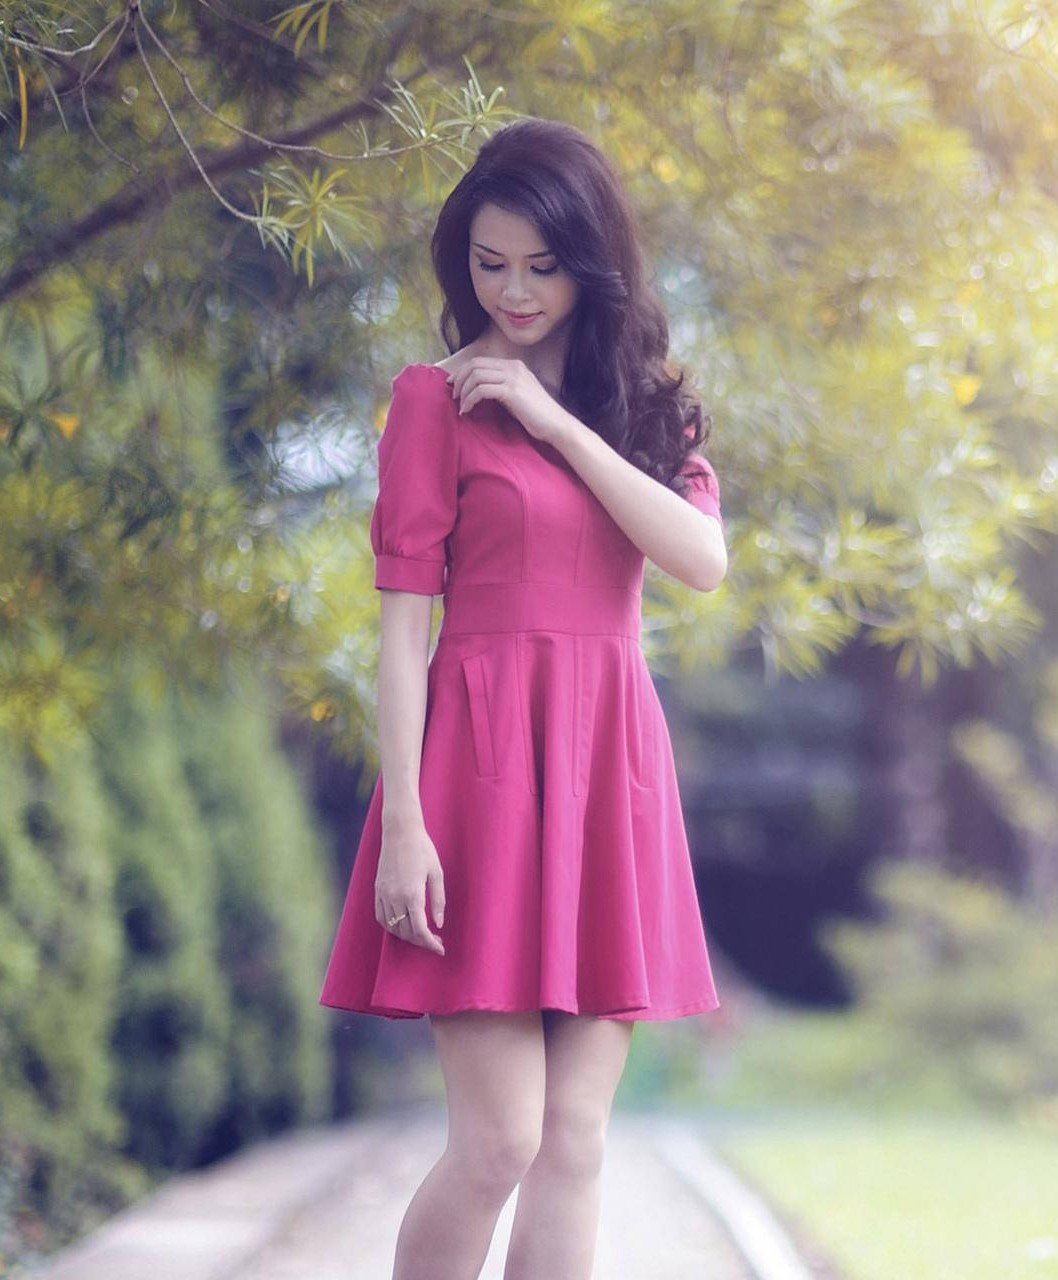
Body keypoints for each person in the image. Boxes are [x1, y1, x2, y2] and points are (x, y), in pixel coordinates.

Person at [318, 116, 728, 1280]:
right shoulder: (430, 403)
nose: (514, 290)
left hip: (608, 768)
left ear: (591, 263)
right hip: (479, 773)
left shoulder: (649, 409)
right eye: (489, 265)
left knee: (579, 1139)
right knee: (498, 1139)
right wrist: (405, 823)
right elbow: (403, 640)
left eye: (541, 265)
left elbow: (699, 560)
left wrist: (551, 422)